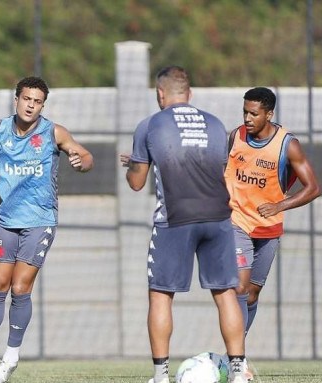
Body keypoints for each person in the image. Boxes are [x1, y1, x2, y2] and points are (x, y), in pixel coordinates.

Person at [121, 66, 247, 383]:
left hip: (175, 219)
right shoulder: (216, 125)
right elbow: (216, 171)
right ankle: (238, 372)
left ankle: (161, 376)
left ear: (160, 95)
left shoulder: (150, 124)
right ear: (189, 95)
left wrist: (136, 164)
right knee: (226, 294)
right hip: (219, 218)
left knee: (161, 295)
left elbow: (136, 183)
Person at [0, 76, 93, 383]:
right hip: (7, 219)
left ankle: (9, 358)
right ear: (17, 99)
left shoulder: (54, 132)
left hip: (40, 220)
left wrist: (81, 162)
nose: (31, 105)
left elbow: (86, 156)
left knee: (20, 288)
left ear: (42, 105)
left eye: (37, 101)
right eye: (26, 99)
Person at [225, 87, 320, 379]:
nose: (248, 118)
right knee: (239, 288)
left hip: (268, 228)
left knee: (252, 295)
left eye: (254, 113)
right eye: (245, 112)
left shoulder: (287, 145)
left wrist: (279, 204)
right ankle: (236, 362)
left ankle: (236, 354)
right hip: (236, 222)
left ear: (269, 114)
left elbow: (313, 188)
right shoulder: (234, 136)